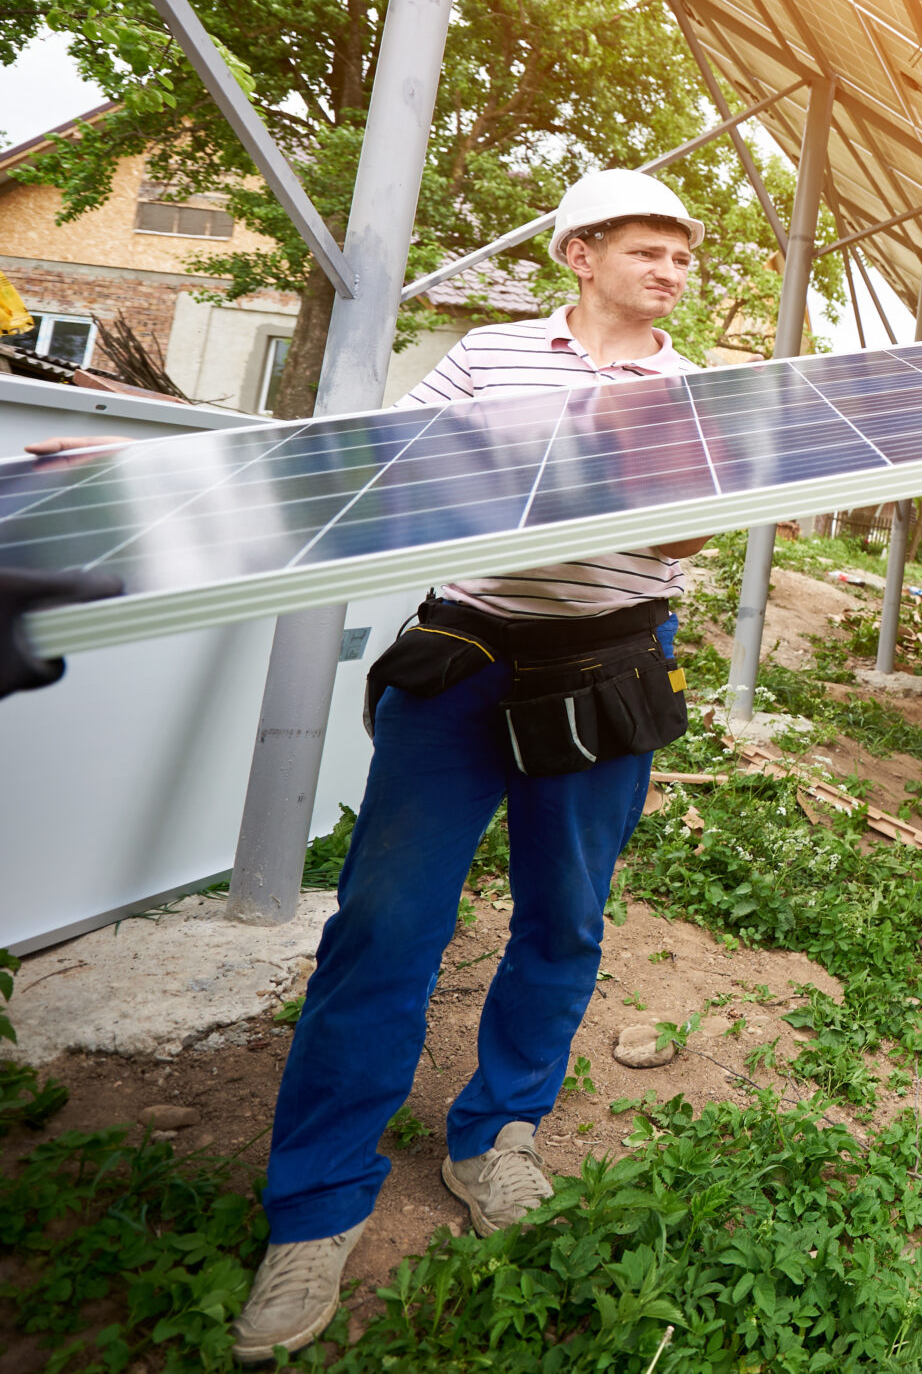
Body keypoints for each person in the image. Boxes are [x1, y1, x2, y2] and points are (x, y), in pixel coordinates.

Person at [229, 169, 714, 1362]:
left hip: (606, 666)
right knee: (386, 920)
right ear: (581, 256)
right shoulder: (490, 359)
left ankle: (495, 1135)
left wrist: (650, 493)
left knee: (565, 915)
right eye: (648, 252)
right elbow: (390, 470)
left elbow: (684, 533)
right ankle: (317, 1209)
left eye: (683, 259)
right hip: (468, 660)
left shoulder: (690, 387)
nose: (671, 274)